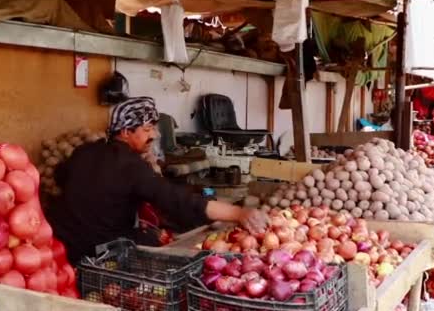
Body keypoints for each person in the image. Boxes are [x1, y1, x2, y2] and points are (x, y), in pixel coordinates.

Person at [47, 97, 270, 263]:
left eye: (153, 128)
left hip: (60, 243)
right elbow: (177, 201)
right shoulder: (131, 166)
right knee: (150, 243)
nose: (153, 135)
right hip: (97, 250)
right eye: (147, 129)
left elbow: (60, 176)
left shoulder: (84, 151)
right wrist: (239, 213)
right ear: (125, 132)